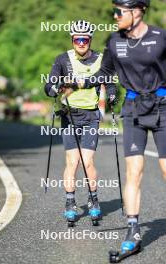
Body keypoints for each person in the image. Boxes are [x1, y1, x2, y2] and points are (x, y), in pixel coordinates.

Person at [72, 0, 166, 253]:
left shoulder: (160, 37)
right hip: (133, 109)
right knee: (133, 171)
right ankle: (133, 231)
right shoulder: (115, 42)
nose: (114, 16)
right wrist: (78, 85)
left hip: (163, 106)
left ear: (137, 11)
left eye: (119, 11)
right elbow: (104, 73)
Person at [44, 20, 104, 224]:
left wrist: (112, 95)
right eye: (77, 39)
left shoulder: (100, 59)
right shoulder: (62, 59)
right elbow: (50, 82)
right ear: (72, 40)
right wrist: (51, 89)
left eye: (84, 39)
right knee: (73, 161)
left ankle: (93, 200)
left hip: (91, 116)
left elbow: (109, 81)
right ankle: (70, 203)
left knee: (87, 162)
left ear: (89, 40)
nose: (81, 43)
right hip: (69, 116)